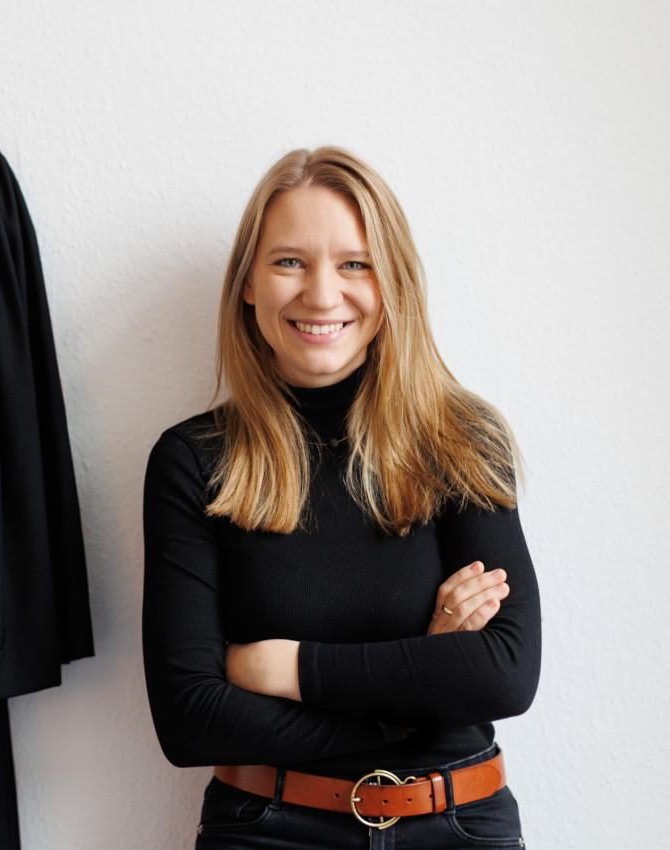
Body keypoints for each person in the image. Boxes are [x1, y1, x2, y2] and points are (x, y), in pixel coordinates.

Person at [142, 146, 540, 849]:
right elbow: (191, 719)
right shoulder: (196, 460)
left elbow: (505, 675)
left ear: (392, 285)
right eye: (289, 261)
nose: (322, 295)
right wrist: (420, 677)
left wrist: (288, 667)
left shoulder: (460, 440)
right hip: (269, 828)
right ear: (248, 285)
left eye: (355, 264)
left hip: (456, 825)